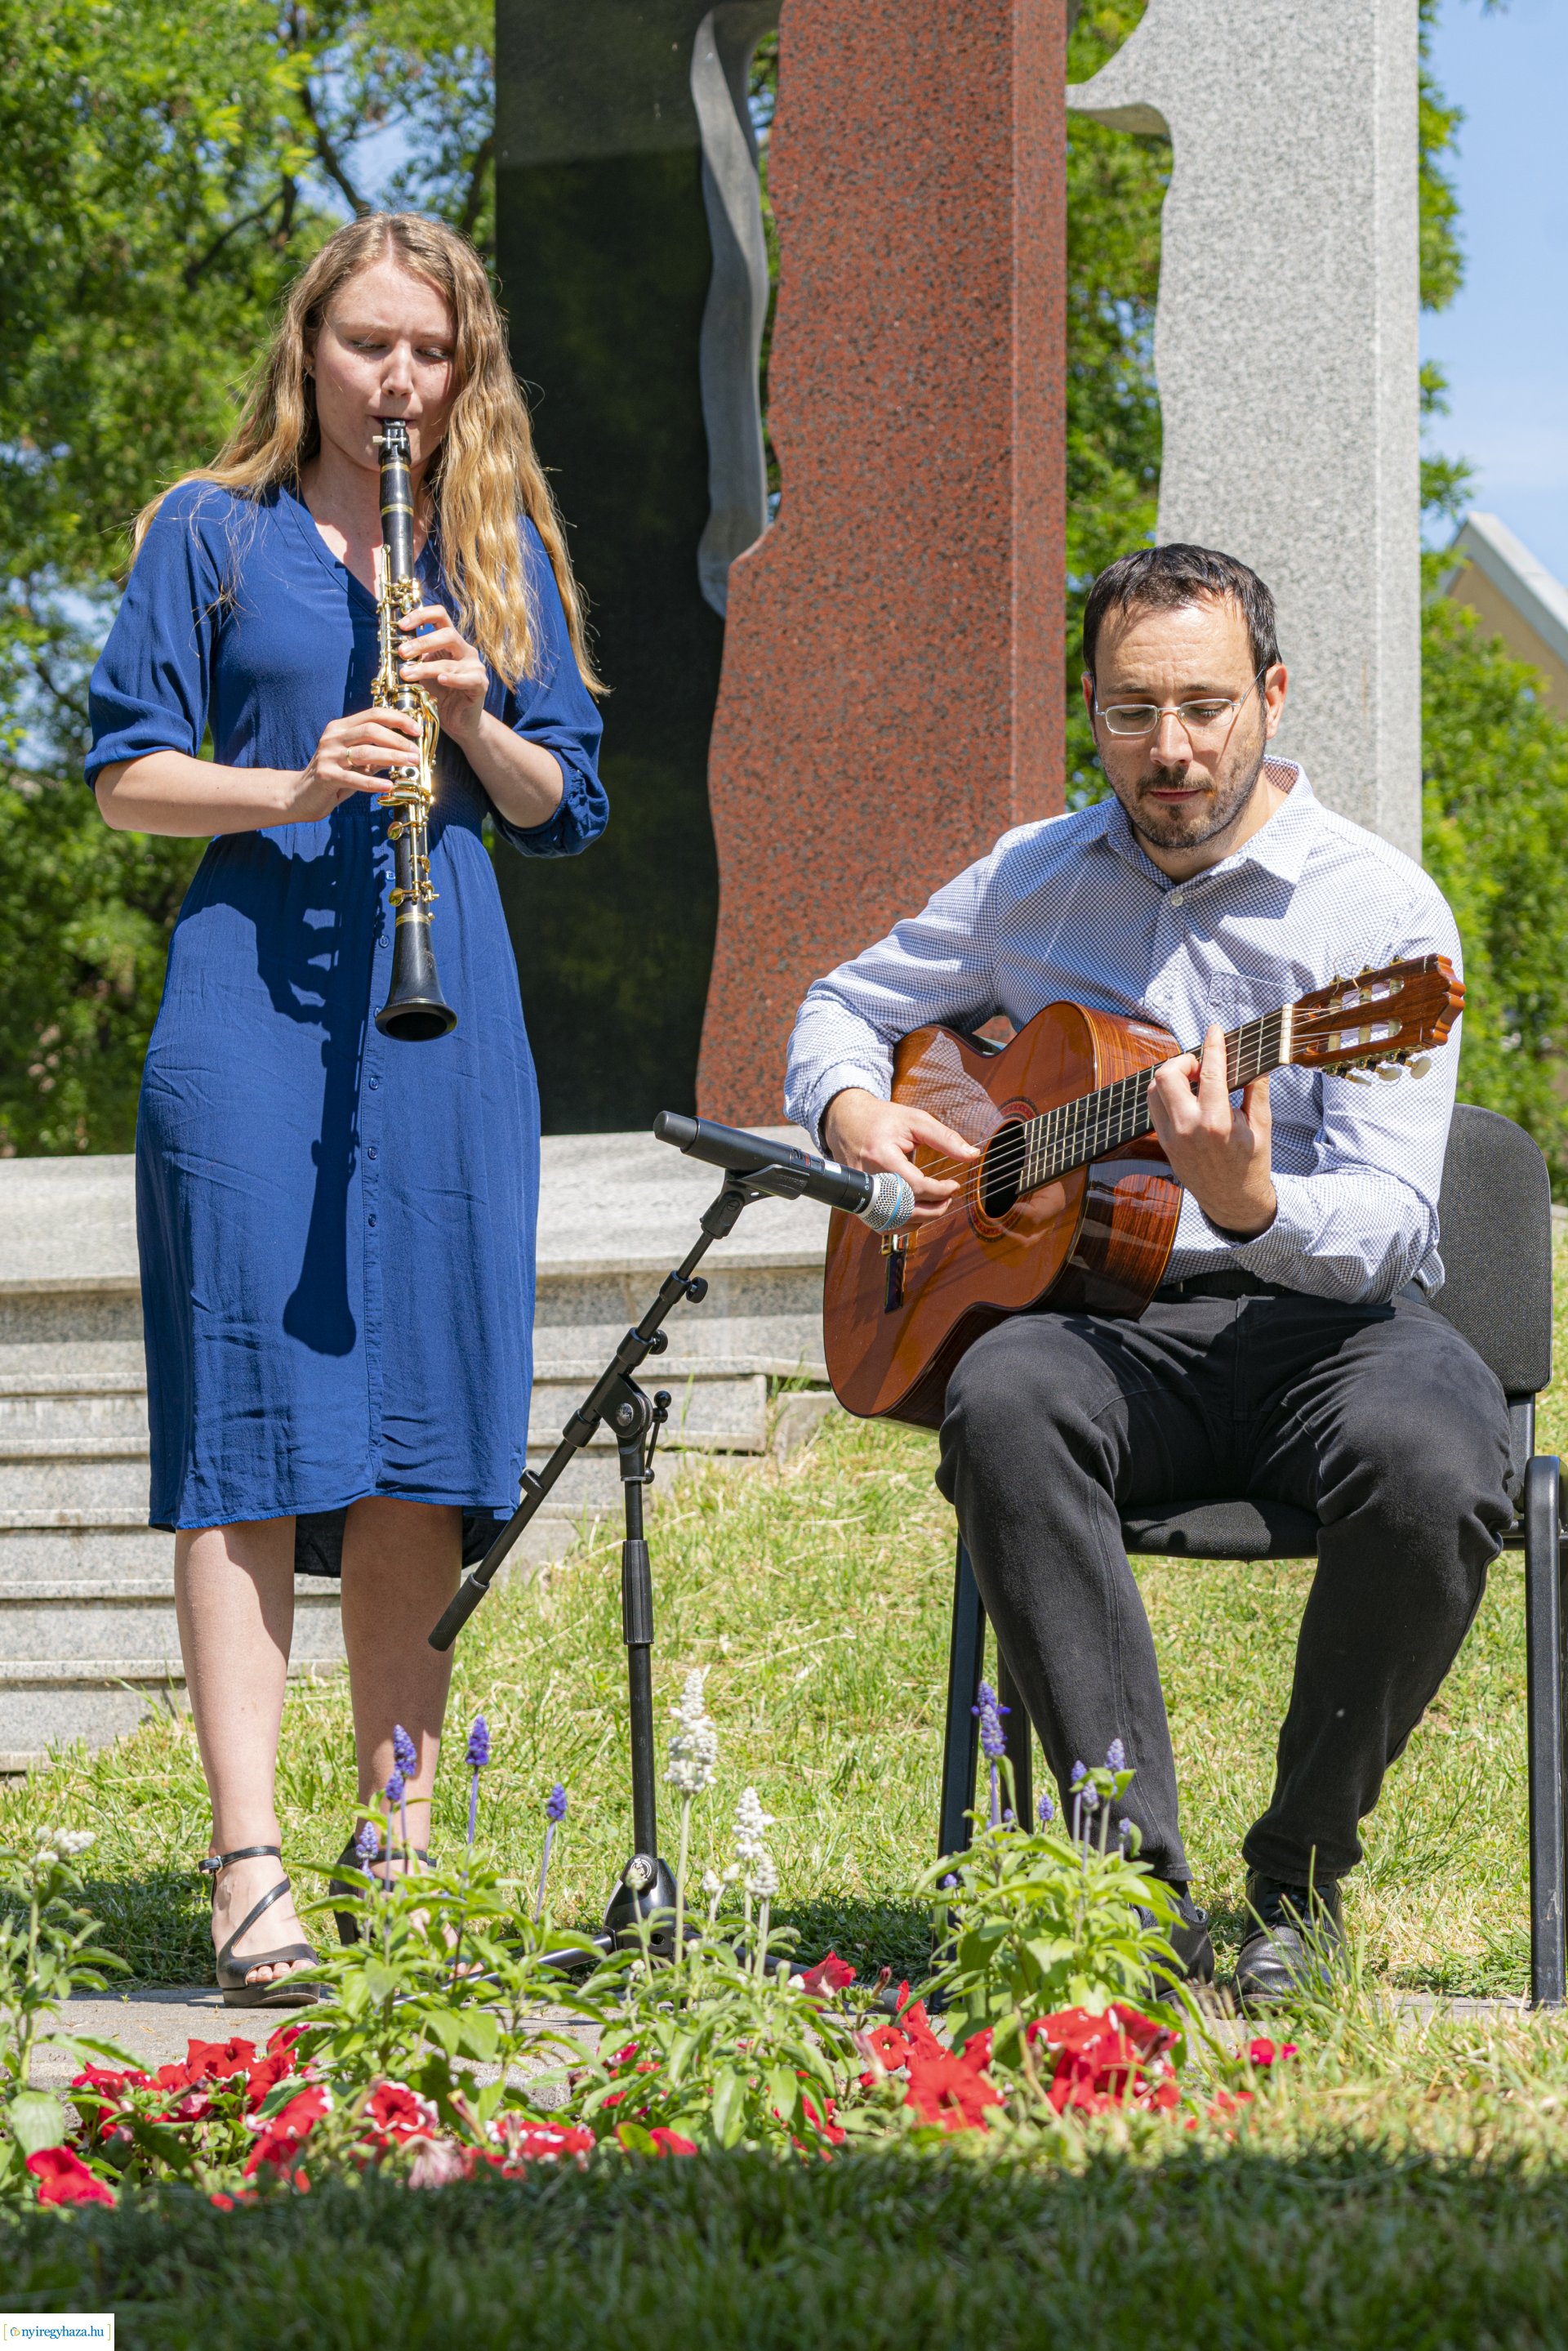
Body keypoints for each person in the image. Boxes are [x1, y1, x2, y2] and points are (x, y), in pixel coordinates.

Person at [786, 544, 1513, 2005]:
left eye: (1204, 706)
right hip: (1108, 1327)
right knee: (1004, 1396)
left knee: (1439, 1460)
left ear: (1273, 696)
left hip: (1335, 1326)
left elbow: (1387, 1221)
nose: (1169, 749)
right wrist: (856, 1110)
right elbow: (840, 1004)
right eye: (1131, 711)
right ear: (1091, 710)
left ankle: (1300, 1876)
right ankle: (1128, 1896)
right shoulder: (1028, 881)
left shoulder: (1379, 919)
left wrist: (1253, 1203)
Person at [87, 213, 608, 2005]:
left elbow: (562, 806)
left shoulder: (498, 545)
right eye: (369, 343)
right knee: (247, 1429)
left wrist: (471, 714)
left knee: (420, 1433)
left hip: (442, 1022)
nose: (399, 379)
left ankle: (403, 1846)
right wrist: (296, 781)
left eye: (431, 352)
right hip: (249, 1007)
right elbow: (125, 778)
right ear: (309, 347)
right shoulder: (207, 530)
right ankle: (249, 1866)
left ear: (468, 368)